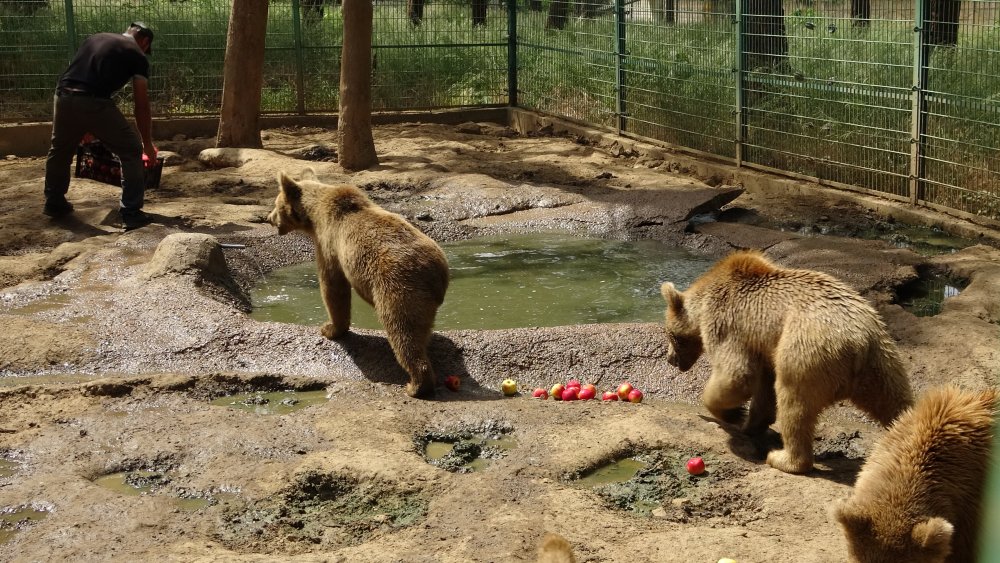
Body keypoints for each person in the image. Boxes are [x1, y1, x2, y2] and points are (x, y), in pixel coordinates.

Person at [43, 21, 158, 231]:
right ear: (145, 41)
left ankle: (54, 201)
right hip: (93, 100)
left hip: (63, 95)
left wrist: (85, 125)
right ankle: (131, 212)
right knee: (131, 149)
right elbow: (141, 105)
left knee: (60, 149)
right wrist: (147, 144)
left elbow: (83, 74)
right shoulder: (136, 54)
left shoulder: (95, 38)